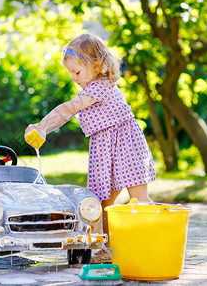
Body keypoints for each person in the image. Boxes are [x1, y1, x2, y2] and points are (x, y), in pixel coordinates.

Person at [25, 33, 156, 263]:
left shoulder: (101, 88)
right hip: (104, 146)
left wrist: (43, 125)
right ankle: (107, 247)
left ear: (96, 65)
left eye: (77, 72)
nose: (74, 78)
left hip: (125, 142)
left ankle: (154, 238)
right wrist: (43, 127)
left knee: (138, 198)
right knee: (103, 203)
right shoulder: (89, 89)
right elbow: (67, 112)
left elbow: (68, 109)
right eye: (71, 73)